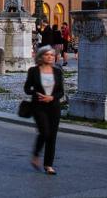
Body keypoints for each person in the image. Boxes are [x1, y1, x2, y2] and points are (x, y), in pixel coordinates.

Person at [25, 45, 64, 176]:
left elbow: (61, 92)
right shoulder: (33, 71)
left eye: (52, 55)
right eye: (47, 55)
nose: (50, 57)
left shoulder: (58, 72)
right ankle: (36, 155)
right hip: (38, 106)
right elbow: (27, 89)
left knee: (52, 136)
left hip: (54, 106)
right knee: (45, 132)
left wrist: (51, 97)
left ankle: (48, 165)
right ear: (41, 56)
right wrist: (36, 93)